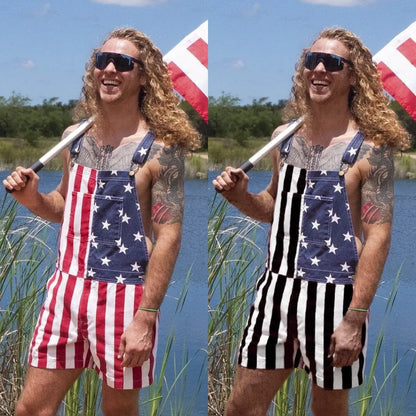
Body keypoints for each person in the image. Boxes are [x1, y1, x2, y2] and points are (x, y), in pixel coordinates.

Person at [213, 28, 410, 416]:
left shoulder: (370, 151)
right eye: (311, 61)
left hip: (335, 298)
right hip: (275, 292)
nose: (319, 69)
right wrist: (241, 198)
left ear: (353, 76)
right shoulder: (284, 139)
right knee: (240, 407)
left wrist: (355, 318)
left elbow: (378, 236)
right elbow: (274, 207)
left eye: (333, 63)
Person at [3, 28, 200, 416]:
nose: (109, 69)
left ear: (143, 76)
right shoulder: (74, 139)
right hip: (65, 292)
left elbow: (169, 237)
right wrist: (33, 200)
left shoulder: (161, 151)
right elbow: (64, 206)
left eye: (123, 63)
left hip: (124, 298)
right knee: (30, 408)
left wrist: (146, 317)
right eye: (102, 61)